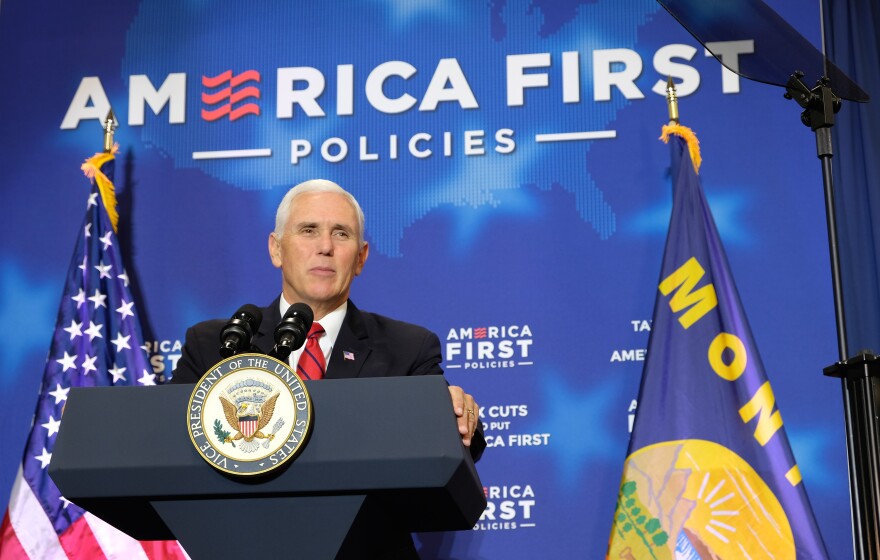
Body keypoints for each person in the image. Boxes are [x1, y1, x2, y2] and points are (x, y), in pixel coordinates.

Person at [171, 179, 485, 457]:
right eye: (308, 231)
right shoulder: (218, 343)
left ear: (360, 257)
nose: (325, 247)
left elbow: (463, 445)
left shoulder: (407, 349)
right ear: (276, 249)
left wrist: (456, 412)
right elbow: (166, 439)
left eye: (341, 234)